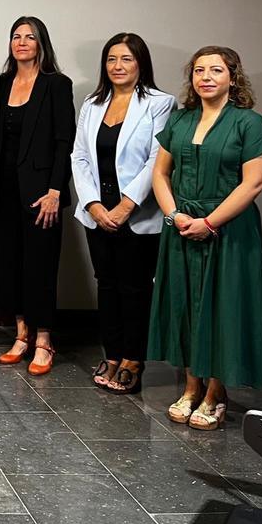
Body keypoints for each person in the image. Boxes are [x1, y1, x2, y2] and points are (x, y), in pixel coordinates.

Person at [148, 46, 262, 430]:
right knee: (186, 305)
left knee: (222, 307)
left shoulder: (250, 123)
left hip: (229, 230)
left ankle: (215, 392)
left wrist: (210, 222)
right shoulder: (181, 120)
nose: (206, 77)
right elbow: (160, 174)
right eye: (199, 70)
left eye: (216, 70)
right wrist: (175, 215)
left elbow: (254, 183)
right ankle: (190, 386)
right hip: (182, 226)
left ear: (232, 78)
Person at [71, 33, 175, 395]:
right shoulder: (92, 102)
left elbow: (157, 158)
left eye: (126, 59)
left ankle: (133, 359)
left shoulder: (160, 103)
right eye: (112, 59)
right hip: (98, 214)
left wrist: (126, 205)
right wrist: (93, 205)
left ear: (140, 63)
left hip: (137, 214)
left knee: (135, 288)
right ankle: (112, 355)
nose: (117, 66)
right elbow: (79, 157)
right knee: (108, 284)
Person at [0, 16, 74, 376]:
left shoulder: (57, 84)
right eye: (16, 36)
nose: (22, 42)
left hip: (42, 194)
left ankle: (43, 340)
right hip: (3, 190)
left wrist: (56, 190)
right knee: (9, 264)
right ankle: (20, 335)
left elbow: (64, 141)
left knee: (40, 266)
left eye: (30, 37)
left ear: (41, 44)